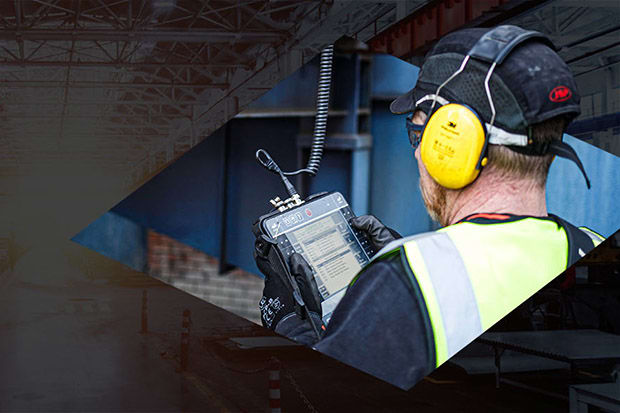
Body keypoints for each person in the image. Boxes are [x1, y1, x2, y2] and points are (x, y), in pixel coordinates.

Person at [254, 25, 604, 390]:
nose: (417, 152)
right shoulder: (590, 246)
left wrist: (286, 321)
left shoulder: (410, 280)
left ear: (451, 142)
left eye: (417, 131)